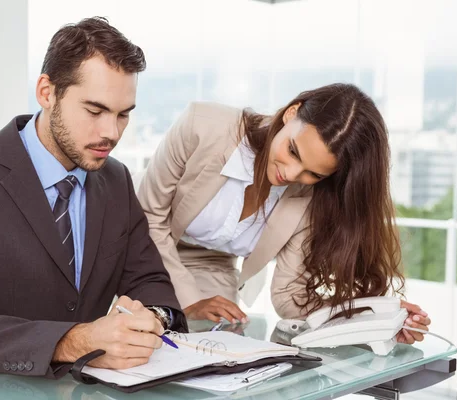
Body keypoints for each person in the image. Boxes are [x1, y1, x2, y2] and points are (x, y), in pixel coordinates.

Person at [0, 17, 187, 379]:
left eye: (123, 115)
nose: (110, 133)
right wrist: (72, 341)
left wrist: (152, 319)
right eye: (95, 111)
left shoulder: (115, 179)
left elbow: (151, 283)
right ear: (47, 92)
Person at [136, 83, 430, 344]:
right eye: (293, 151)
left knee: (213, 353)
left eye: (312, 173)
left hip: (214, 268)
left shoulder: (310, 200)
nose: (290, 174)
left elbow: (290, 295)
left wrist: (376, 320)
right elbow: (149, 218)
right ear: (291, 113)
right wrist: (191, 300)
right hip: (143, 247)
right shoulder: (201, 125)